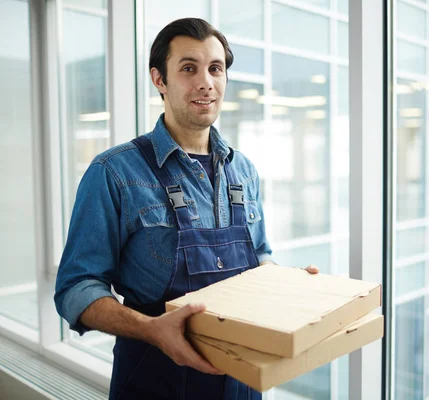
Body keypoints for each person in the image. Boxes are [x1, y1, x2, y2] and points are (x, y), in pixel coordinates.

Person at [54, 17, 319, 400]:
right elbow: (75, 288)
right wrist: (150, 328)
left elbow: (259, 258)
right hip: (154, 381)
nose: (205, 82)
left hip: (242, 383)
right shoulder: (113, 172)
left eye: (215, 69)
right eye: (188, 68)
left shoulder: (243, 170)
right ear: (159, 80)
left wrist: (291, 285)